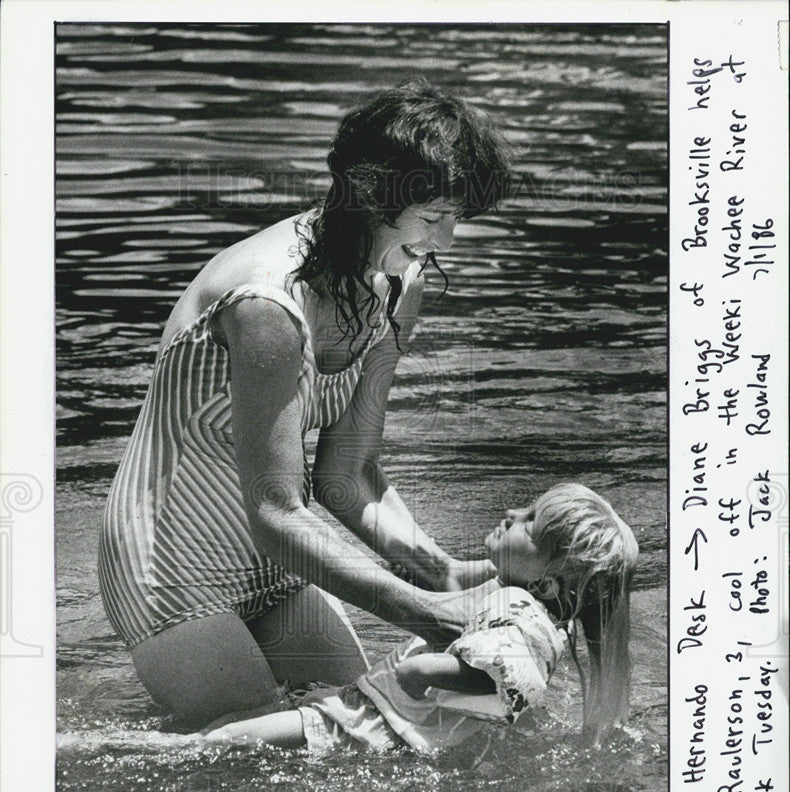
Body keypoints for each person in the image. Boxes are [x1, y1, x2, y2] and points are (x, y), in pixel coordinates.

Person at [98, 82, 510, 721]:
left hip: (278, 560)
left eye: (457, 217)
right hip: (169, 559)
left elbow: (347, 476)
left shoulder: (399, 284)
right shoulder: (268, 303)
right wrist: (420, 610)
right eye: (433, 218)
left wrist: (439, 572)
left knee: (367, 723)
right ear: (371, 197)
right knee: (242, 753)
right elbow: (277, 511)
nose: (448, 241)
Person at [196, 484, 639, 751]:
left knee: (222, 741)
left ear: (546, 585)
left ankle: (150, 747)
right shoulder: (525, 601)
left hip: (367, 728)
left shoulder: (526, 616)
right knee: (252, 729)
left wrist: (421, 669)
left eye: (529, 522)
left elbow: (511, 675)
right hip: (373, 716)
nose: (511, 514)